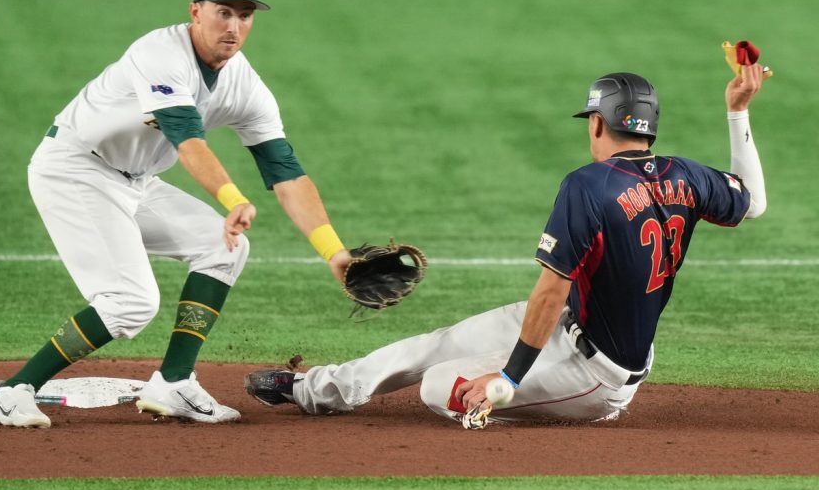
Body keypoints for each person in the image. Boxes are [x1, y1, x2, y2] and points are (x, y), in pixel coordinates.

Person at [245, 63, 768, 428]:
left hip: (597, 371)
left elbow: (547, 292)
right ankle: (313, 389)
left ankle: (558, 403)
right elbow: (755, 204)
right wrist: (737, 113)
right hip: (576, 323)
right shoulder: (690, 176)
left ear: (596, 122)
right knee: (435, 345)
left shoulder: (589, 184)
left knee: (438, 386)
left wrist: (509, 376)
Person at [0, 0, 352, 428]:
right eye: (222, 12)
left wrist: (333, 253)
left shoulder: (244, 83)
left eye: (244, 15)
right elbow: (186, 137)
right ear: (195, 11)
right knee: (129, 302)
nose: (234, 26)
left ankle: (174, 383)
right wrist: (233, 199)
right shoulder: (159, 54)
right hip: (75, 170)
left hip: (137, 181)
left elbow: (285, 171)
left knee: (223, 248)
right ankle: (13, 391)